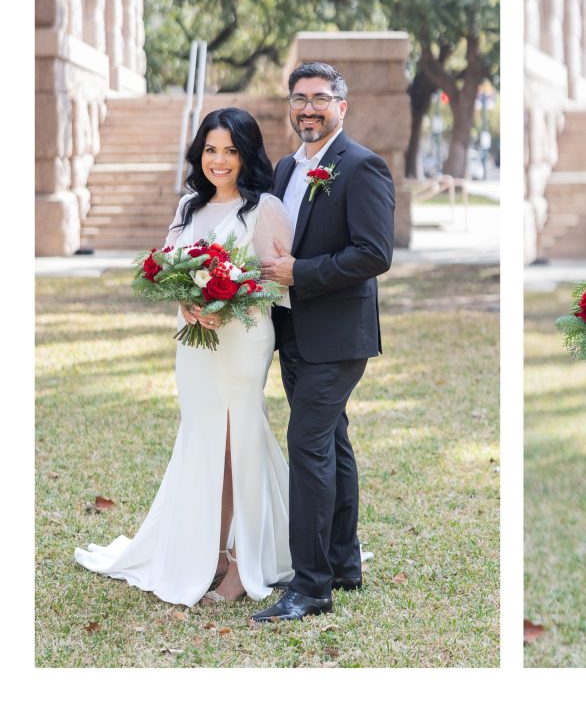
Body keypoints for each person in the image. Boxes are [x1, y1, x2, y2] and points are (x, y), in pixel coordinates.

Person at [75, 107, 294, 606]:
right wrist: (190, 303)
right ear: (200, 154)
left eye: (231, 151)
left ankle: (244, 565)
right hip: (194, 341)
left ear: (247, 155)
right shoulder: (188, 209)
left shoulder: (265, 209)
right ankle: (212, 552)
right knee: (205, 441)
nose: (220, 161)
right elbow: (167, 270)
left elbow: (277, 287)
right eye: (211, 150)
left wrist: (231, 298)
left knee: (241, 444)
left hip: (243, 339)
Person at [252, 62, 395, 622]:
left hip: (337, 335)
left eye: (319, 97)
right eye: (298, 98)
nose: (307, 108)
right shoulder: (287, 166)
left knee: (308, 445)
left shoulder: (362, 167)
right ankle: (342, 562)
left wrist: (301, 274)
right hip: (291, 328)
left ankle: (311, 587)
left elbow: (374, 253)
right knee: (332, 442)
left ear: (342, 104)